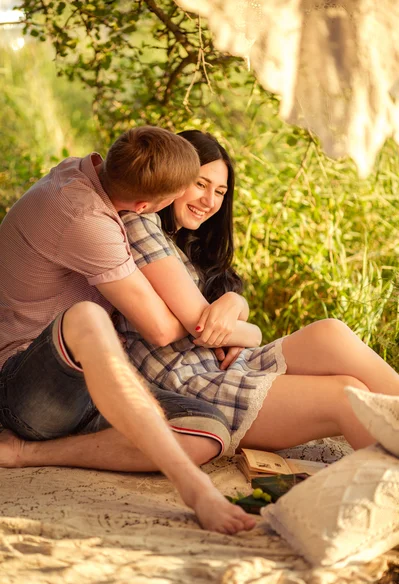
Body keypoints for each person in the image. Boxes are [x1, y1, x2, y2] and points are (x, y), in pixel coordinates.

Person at [0, 126, 256, 535]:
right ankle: (196, 491)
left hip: (87, 382)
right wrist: (228, 325)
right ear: (142, 206)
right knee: (87, 317)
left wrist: (230, 309)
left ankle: (25, 454)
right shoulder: (86, 218)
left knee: (208, 433)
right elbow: (161, 328)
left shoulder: (85, 171)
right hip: (25, 385)